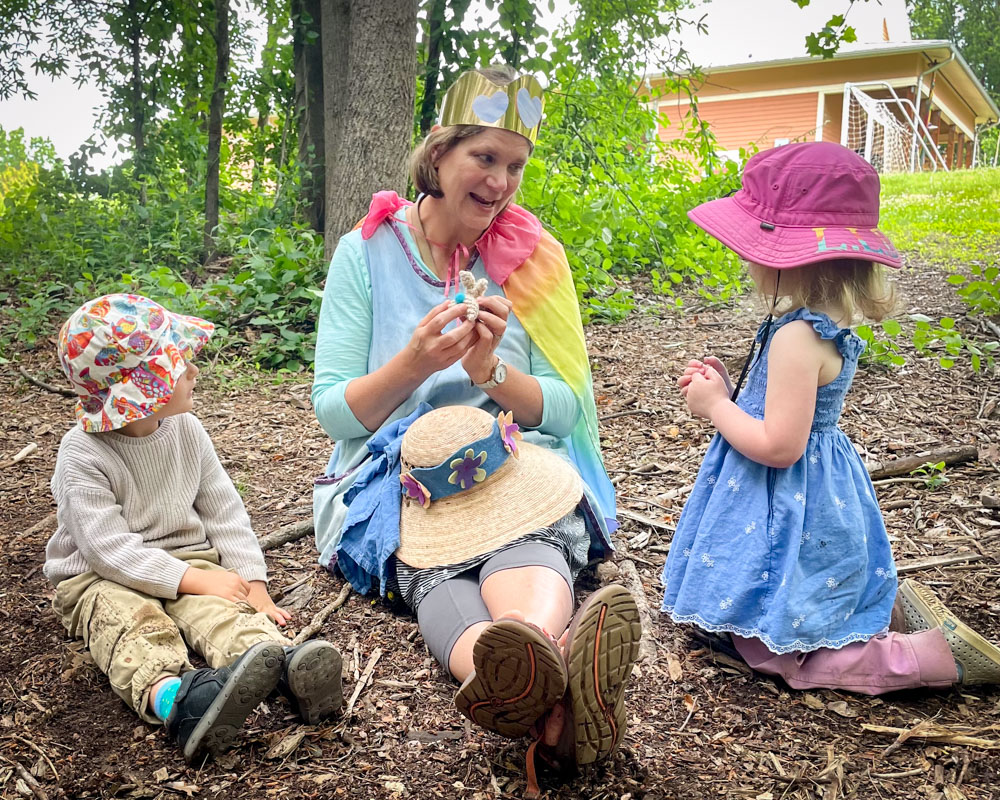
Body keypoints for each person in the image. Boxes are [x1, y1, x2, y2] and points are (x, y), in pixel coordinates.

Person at [311, 66, 640, 785]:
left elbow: (564, 408)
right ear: (438, 156)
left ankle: (529, 670)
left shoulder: (524, 259)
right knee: (431, 562)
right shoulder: (365, 255)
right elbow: (335, 409)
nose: (499, 182)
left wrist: (492, 371)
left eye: (515, 166)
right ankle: (553, 703)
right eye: (483, 158)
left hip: (505, 464)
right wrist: (411, 364)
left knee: (527, 533)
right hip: (397, 475)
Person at [661, 142, 1000, 694]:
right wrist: (733, 392)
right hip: (810, 490)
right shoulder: (817, 322)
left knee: (773, 652)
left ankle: (926, 658)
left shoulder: (796, 336)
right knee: (792, 609)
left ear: (785, 256)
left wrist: (715, 407)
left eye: (751, 248)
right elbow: (784, 411)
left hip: (787, 497)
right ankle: (883, 612)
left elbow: (778, 446)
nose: (746, 259)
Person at [45, 294, 343, 764]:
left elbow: (224, 511)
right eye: (178, 363)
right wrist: (195, 578)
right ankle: (179, 702)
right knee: (131, 624)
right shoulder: (83, 453)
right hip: (97, 578)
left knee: (220, 610)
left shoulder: (186, 429)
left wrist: (255, 585)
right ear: (143, 389)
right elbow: (106, 550)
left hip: (186, 561)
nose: (193, 370)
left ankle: (283, 667)